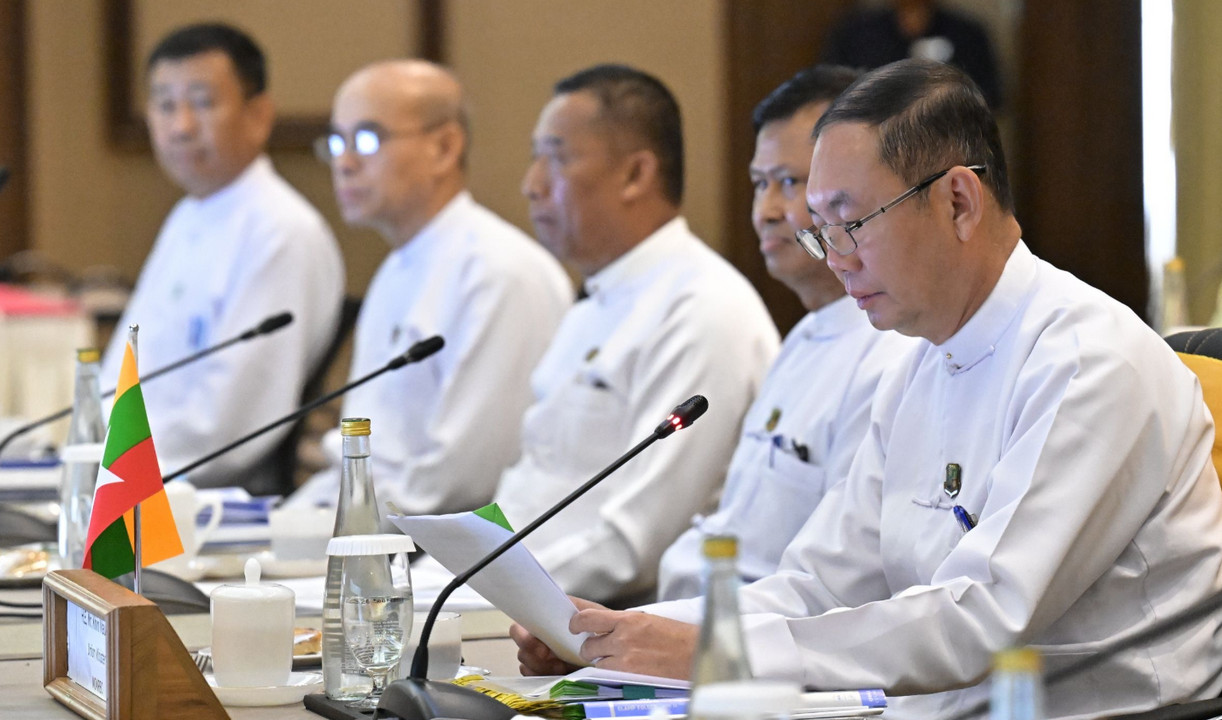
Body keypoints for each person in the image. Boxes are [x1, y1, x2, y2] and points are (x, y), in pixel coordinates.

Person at [512, 59, 1222, 719]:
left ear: (958, 201)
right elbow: (818, 584)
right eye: (822, 232)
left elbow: (981, 617)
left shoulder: (1090, 361)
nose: (837, 260)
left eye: (851, 224)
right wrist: (619, 634)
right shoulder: (917, 361)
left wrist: (717, 653)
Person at [490, 64, 780, 605]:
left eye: (557, 158)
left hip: (607, 620)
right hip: (519, 597)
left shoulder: (702, 310)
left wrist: (476, 595)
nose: (532, 184)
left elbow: (633, 545)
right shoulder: (592, 302)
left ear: (636, 174)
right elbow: (532, 485)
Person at [657, 65, 916, 601]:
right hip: (700, 615)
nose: (767, 211)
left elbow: (840, 583)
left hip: (773, 631)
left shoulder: (892, 350)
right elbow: (737, 529)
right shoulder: (803, 336)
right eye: (760, 184)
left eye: (790, 183)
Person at [288, 60, 571, 515]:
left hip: (444, 545)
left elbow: (464, 484)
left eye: (367, 139)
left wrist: (324, 532)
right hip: (373, 528)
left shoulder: (500, 274)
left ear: (444, 147)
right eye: (337, 142)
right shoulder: (395, 269)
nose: (345, 163)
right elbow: (362, 463)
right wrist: (282, 524)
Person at [102, 23, 343, 492]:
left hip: (209, 498)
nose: (181, 126)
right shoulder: (187, 216)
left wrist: (115, 468)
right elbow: (122, 373)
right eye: (165, 106)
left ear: (259, 114)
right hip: (133, 474)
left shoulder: (281, 231)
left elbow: (230, 425)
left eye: (203, 103)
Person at [822, 0, 1002, 109]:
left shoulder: (967, 34)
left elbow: (990, 97)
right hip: (871, 140)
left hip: (946, 138)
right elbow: (831, 92)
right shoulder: (856, 32)